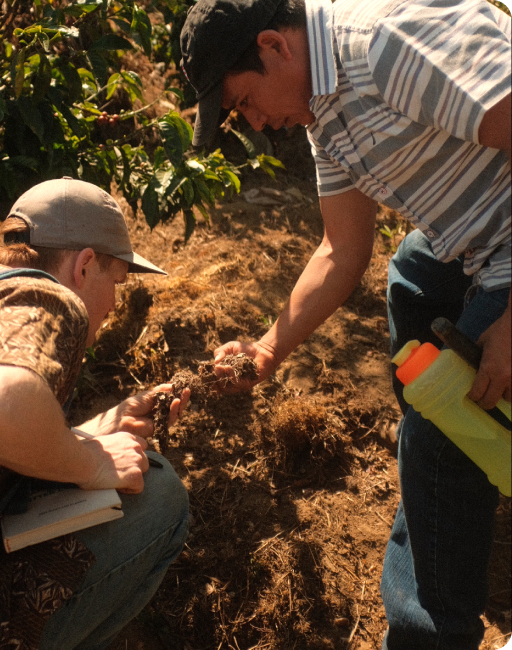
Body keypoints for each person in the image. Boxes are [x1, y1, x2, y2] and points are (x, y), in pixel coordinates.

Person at [180, 0, 511, 648]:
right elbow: (341, 252)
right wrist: (267, 351)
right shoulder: (325, 112)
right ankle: (463, 470)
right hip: (481, 245)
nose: (255, 122)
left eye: (245, 102)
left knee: (440, 430)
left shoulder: (385, 48)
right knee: (412, 279)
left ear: (275, 47)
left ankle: (429, 627)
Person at [0, 178, 190, 649]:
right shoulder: (48, 298)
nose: (115, 304)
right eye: (116, 282)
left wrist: (91, 433)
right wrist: (94, 463)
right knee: (160, 493)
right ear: (84, 265)